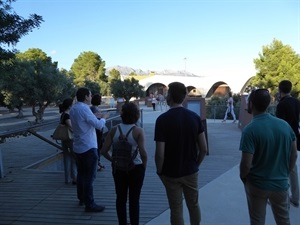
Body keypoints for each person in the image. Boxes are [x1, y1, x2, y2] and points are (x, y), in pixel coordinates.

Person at [239, 88, 298, 225]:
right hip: (280, 184)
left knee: (257, 220)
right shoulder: (285, 126)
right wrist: (285, 173)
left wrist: (244, 177)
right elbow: (293, 154)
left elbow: (246, 164)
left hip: (257, 184)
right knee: (283, 220)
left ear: (251, 104)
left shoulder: (250, 130)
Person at [154, 82, 208, 225]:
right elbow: (203, 149)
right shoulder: (194, 118)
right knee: (194, 205)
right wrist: (195, 165)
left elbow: (160, 153)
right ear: (184, 97)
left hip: (170, 173)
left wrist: (160, 171)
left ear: (170, 96)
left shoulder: (162, 120)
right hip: (190, 170)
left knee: (176, 208)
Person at [101, 102, 147, 225]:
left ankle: (122, 222)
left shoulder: (114, 130)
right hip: (135, 167)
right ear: (136, 115)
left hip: (118, 168)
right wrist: (144, 166)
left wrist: (113, 160)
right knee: (134, 199)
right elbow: (143, 152)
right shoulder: (138, 131)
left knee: (120, 198)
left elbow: (104, 151)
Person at [69, 87, 109, 212]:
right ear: (86, 97)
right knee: (90, 177)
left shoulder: (74, 108)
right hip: (88, 146)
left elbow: (84, 120)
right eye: (90, 95)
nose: (91, 97)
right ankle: (90, 204)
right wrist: (104, 117)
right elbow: (99, 126)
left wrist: (94, 115)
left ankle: (81, 198)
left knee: (81, 174)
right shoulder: (84, 109)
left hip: (78, 146)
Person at [276, 80, 300, 207]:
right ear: (290, 89)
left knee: (282, 168)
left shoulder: (281, 105)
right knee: (293, 167)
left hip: (284, 139)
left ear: (280, 90)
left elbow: (280, 125)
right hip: (295, 137)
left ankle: (283, 198)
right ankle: (295, 197)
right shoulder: (297, 102)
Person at [59, 98, 77, 185]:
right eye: (73, 103)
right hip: (70, 139)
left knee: (66, 158)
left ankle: (67, 178)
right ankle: (74, 177)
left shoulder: (63, 114)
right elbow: (71, 127)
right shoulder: (67, 115)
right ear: (70, 106)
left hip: (64, 138)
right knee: (74, 158)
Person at [90, 93, 105, 172]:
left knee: (99, 146)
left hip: (98, 132)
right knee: (97, 147)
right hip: (96, 131)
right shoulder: (94, 109)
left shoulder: (94, 108)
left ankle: (98, 162)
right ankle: (96, 163)